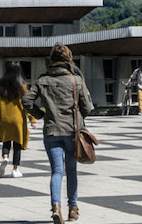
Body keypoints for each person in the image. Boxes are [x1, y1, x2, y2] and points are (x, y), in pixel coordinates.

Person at [23, 43, 93, 224]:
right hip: (72, 131)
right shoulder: (75, 79)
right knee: (71, 170)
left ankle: (56, 207)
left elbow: (26, 101)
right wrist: (78, 115)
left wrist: (41, 115)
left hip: (51, 131)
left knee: (56, 171)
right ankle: (73, 209)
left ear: (51, 60)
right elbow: (88, 107)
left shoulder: (42, 80)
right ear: (69, 59)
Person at [0, 64, 36, 178]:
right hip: (18, 119)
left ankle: (5, 157)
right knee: (17, 145)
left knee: (6, 142)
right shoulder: (22, 86)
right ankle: (15, 169)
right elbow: (27, 103)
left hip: (4, 118)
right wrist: (32, 119)